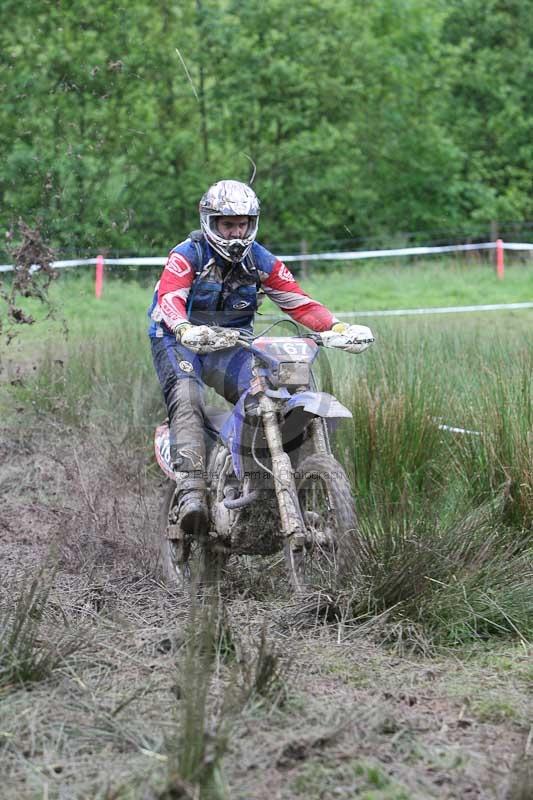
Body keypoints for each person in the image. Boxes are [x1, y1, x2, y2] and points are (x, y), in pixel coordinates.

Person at [149, 179, 373, 535]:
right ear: (211, 222)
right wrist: (182, 327)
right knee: (187, 396)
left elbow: (297, 300)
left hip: (232, 342)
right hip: (179, 340)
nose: (236, 232)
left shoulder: (259, 260)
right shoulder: (188, 254)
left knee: (266, 392)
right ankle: (191, 489)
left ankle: (256, 479)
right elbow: (171, 297)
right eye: (228, 224)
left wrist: (337, 327)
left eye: (242, 224)